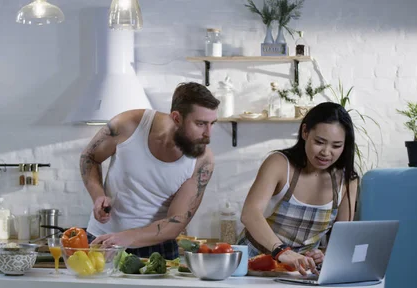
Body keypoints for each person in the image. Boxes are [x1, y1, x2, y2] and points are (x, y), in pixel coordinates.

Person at [79, 82, 219, 260]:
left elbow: (176, 221)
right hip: (103, 242)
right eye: (200, 124)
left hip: (157, 251)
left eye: (212, 123)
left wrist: (125, 238)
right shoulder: (129, 125)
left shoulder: (203, 161)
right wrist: (98, 196)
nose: (208, 133)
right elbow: (89, 157)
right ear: (176, 118)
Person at [237, 102, 359, 276]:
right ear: (305, 132)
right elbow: (250, 214)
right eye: (319, 142)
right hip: (254, 263)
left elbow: (341, 239)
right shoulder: (279, 164)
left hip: (301, 271)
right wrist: (283, 252)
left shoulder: (347, 180)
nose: (326, 152)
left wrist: (323, 255)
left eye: (336, 146)